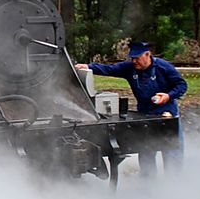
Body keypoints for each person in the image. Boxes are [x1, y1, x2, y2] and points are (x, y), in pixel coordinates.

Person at [75, 41, 187, 176]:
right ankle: (148, 185)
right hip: (144, 115)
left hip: (166, 114)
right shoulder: (129, 67)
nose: (134, 61)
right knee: (146, 150)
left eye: (137, 58)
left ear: (147, 55)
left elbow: (182, 85)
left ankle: (174, 183)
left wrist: (168, 96)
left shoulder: (164, 67)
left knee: (171, 151)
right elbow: (109, 69)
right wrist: (88, 66)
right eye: (132, 58)